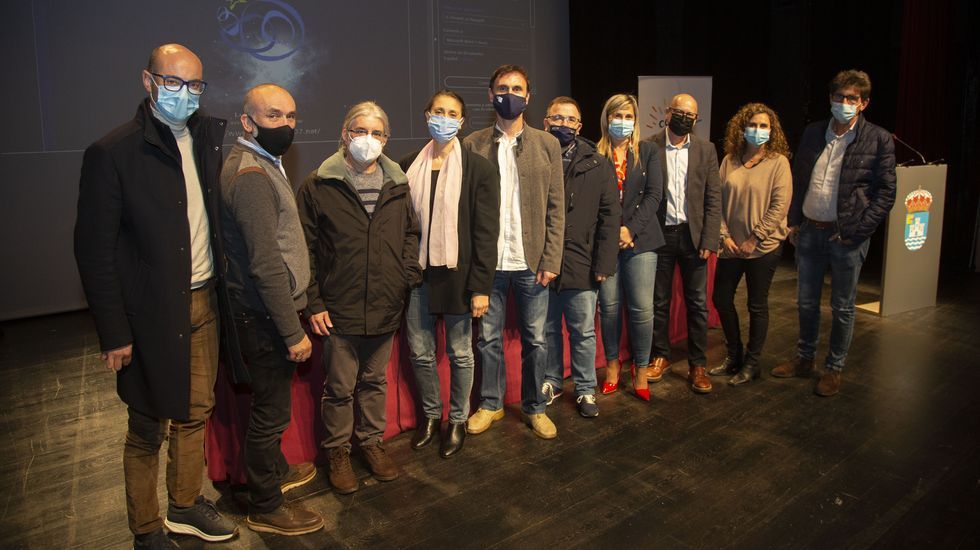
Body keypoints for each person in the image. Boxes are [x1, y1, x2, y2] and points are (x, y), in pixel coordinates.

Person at [74, 44, 240, 548]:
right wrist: (114, 332)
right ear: (148, 81)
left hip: (203, 303)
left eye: (194, 86)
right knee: (146, 425)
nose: (184, 95)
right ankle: (145, 529)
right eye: (173, 83)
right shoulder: (113, 152)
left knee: (195, 413)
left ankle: (186, 505)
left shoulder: (205, 140)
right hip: (147, 313)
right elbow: (94, 251)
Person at [298, 101, 421, 495]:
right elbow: (305, 249)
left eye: (377, 133)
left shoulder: (398, 184)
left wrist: (406, 276)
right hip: (339, 308)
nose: (368, 140)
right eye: (360, 131)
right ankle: (337, 452)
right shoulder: (318, 184)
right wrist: (313, 302)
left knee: (374, 382)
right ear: (344, 133)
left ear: (386, 139)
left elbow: (410, 235)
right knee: (339, 388)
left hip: (386, 304)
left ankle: (370, 442)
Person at [220, 84, 323, 535]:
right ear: (247, 122)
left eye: (291, 116)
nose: (286, 125)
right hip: (262, 317)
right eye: (274, 116)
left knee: (269, 408)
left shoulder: (260, 164)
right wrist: (291, 332)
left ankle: (273, 472)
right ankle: (265, 506)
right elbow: (264, 265)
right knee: (271, 414)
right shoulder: (251, 177)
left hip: (263, 312)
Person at [773, 70, 896, 396]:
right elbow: (800, 179)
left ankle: (834, 368)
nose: (844, 103)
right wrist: (794, 221)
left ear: (864, 103)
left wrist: (858, 230)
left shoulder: (878, 139)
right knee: (805, 302)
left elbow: (886, 192)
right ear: (830, 99)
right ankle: (804, 359)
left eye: (851, 99)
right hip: (810, 232)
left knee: (842, 307)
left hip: (846, 237)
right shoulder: (814, 133)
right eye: (839, 97)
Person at [463, 64, 565, 440]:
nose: (510, 93)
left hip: (531, 262)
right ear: (491, 95)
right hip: (489, 264)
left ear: (528, 96)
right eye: (503, 88)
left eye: (517, 88)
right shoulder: (472, 144)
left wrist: (551, 259)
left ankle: (534, 407)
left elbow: (556, 207)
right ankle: (490, 404)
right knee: (487, 340)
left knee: (536, 340)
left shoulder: (547, 144)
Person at [399, 90, 500, 458]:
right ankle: (430, 416)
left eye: (452, 112)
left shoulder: (480, 169)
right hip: (418, 274)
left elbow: (486, 234)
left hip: (460, 275)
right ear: (427, 115)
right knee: (421, 353)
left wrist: (481, 287)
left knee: (460, 353)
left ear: (461, 121)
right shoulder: (407, 165)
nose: (444, 117)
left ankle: (457, 419)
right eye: (438, 111)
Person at [540, 96, 621, 417]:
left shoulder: (597, 163)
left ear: (580, 126)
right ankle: (552, 380)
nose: (563, 125)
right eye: (557, 119)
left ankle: (586, 389)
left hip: (582, 261)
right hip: (542, 262)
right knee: (546, 330)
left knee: (583, 331)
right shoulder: (534, 158)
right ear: (545, 122)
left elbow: (610, 217)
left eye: (570, 120)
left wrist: (604, 263)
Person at [709, 103, 792, 385]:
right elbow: (716, 201)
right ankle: (734, 356)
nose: (758, 130)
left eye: (763, 126)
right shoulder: (729, 160)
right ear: (742, 128)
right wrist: (725, 236)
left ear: (772, 131)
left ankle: (752, 363)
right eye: (753, 125)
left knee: (757, 305)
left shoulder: (778, 162)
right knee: (721, 299)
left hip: (762, 248)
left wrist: (755, 237)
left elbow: (780, 206)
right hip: (730, 246)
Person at [646, 93, 722, 394]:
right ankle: (660, 356)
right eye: (680, 112)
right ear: (667, 112)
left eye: (691, 115)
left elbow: (713, 198)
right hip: (660, 235)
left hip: (694, 237)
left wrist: (710, 238)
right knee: (659, 301)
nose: (685, 118)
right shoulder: (649, 145)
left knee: (698, 304)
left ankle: (698, 364)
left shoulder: (706, 149)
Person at [593, 93, 665, 402]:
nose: (622, 122)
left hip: (641, 241)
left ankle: (639, 370)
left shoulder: (648, 151)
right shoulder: (593, 153)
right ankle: (612, 367)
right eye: (617, 116)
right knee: (608, 308)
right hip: (606, 244)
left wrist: (630, 230)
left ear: (635, 121)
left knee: (642, 310)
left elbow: (654, 195)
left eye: (628, 117)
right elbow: (590, 202)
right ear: (606, 118)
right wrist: (614, 234)